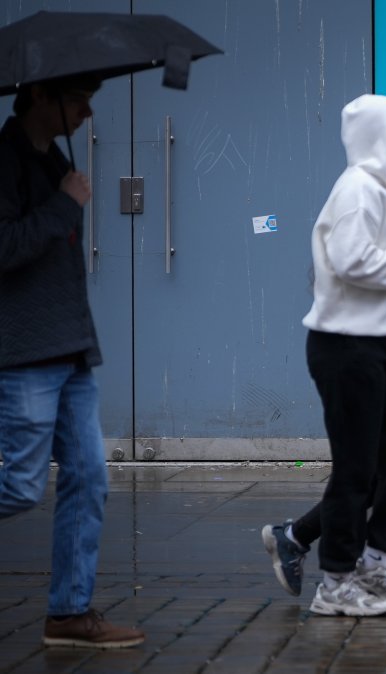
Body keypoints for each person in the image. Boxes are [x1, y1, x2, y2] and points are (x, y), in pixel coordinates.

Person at [0, 75, 146, 648]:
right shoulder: (6, 159)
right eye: (79, 97)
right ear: (40, 96)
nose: (88, 110)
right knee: (18, 487)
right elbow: (5, 247)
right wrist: (66, 202)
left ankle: (69, 613)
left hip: (69, 348)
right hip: (27, 350)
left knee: (89, 477)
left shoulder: (50, 157)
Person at [260, 166, 386, 612]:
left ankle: (326, 546)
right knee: (369, 469)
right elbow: (368, 289)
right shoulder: (357, 220)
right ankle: (340, 568)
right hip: (356, 354)